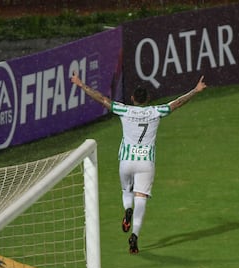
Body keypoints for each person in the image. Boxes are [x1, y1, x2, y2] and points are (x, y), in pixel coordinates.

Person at [71, 72, 207, 254]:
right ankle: (134, 235)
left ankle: (128, 209)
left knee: (126, 190)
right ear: (148, 99)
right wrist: (195, 91)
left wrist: (81, 85)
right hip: (146, 163)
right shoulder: (155, 112)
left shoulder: (124, 110)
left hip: (127, 161)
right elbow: (177, 103)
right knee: (141, 197)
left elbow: (102, 99)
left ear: (133, 98)